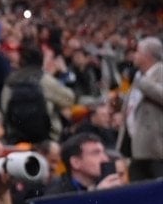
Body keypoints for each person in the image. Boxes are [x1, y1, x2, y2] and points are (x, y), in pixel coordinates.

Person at [120, 35, 163, 181]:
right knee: (138, 189)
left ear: (147, 55)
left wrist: (144, 83)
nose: (134, 55)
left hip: (156, 149)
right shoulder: (139, 75)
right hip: (136, 146)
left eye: (137, 51)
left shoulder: (160, 72)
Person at [42, 131, 123, 195]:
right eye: (96, 153)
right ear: (75, 163)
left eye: (103, 152)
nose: (105, 159)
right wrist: (97, 195)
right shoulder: (57, 193)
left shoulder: (106, 183)